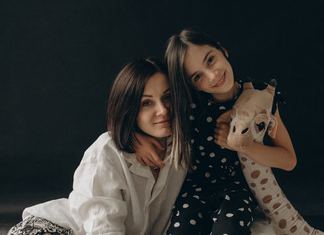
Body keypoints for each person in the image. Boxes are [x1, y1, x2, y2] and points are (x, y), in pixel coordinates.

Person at [135, 28, 297, 235]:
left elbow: (289, 160)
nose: (212, 76)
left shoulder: (259, 98)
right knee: (181, 230)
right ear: (191, 85)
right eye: (197, 77)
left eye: (210, 60)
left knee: (229, 230)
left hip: (237, 191)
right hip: (194, 190)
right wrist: (136, 140)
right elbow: (148, 123)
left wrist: (241, 145)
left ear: (222, 49)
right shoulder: (189, 108)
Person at [7, 58, 189, 235]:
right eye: (146, 103)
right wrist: (129, 137)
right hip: (52, 228)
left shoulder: (184, 149)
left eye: (168, 97)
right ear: (129, 109)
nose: (163, 110)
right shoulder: (107, 151)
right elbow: (103, 228)